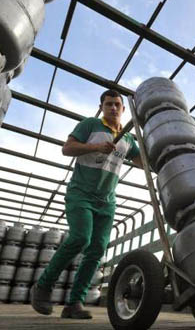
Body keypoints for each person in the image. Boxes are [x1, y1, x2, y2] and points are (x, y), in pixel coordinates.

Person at [31, 89, 142, 319]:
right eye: (108, 104)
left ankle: (74, 304)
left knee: (97, 249)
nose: (113, 108)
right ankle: (43, 285)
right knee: (81, 237)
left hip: (107, 201)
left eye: (117, 105)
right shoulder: (91, 125)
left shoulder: (129, 139)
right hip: (80, 194)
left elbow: (142, 162)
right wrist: (95, 147)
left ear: (123, 109)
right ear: (101, 107)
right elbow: (67, 148)